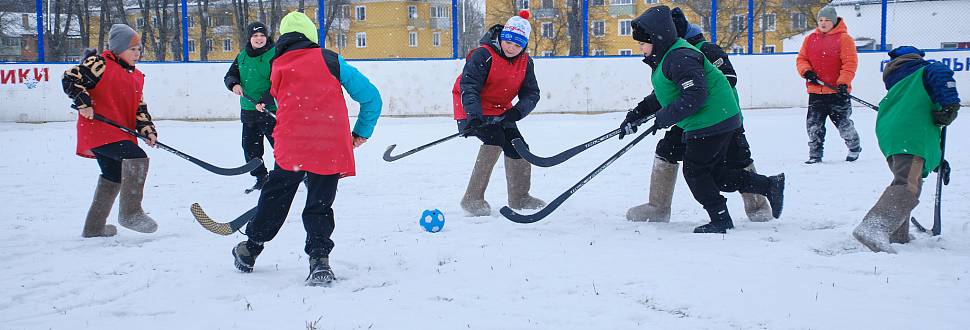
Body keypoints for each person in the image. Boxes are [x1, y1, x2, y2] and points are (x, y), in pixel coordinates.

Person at [230, 12, 382, 286]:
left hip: (293, 145)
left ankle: (250, 248)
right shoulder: (331, 59)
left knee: (276, 196)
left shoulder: (276, 64)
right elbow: (372, 98)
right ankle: (319, 260)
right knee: (320, 203)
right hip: (329, 143)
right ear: (311, 35)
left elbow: (276, 97)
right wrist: (361, 131)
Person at [619, 6, 785, 234]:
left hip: (711, 119)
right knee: (714, 175)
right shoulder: (668, 57)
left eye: (642, 43)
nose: (639, 48)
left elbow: (698, 93)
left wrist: (665, 117)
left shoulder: (681, 55)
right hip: (705, 119)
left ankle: (730, 215)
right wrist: (637, 114)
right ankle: (769, 185)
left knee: (701, 172)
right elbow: (664, 95)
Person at [853, 46, 960, 253]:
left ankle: (896, 235)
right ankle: (875, 227)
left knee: (907, 179)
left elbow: (918, 113)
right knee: (908, 185)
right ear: (917, 58)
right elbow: (941, 73)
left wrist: (938, 160)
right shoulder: (926, 70)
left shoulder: (899, 82)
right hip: (910, 135)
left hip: (894, 137)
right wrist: (950, 105)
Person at [62, 24, 159, 237]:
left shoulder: (136, 76)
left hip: (118, 134)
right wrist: (83, 101)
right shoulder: (100, 64)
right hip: (99, 130)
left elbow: (139, 108)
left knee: (112, 175)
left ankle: (94, 228)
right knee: (137, 159)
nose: (137, 53)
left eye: (139, 49)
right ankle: (130, 212)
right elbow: (70, 78)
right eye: (132, 49)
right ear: (118, 49)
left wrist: (147, 130)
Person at [452, 10, 545, 217]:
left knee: (518, 146)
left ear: (524, 46)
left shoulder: (526, 62)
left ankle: (520, 197)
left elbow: (532, 93)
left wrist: (516, 113)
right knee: (495, 139)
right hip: (471, 109)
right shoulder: (483, 55)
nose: (511, 48)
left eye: (518, 45)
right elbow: (469, 86)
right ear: (502, 37)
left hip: (501, 111)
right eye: (508, 42)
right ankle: (472, 198)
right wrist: (473, 116)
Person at [796, 5, 861, 164]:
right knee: (814, 125)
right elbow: (801, 59)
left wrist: (843, 83)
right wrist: (806, 71)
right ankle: (815, 154)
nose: (823, 23)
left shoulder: (844, 39)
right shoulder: (810, 39)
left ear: (834, 21)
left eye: (827, 20)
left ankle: (854, 146)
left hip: (837, 92)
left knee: (844, 124)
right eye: (820, 20)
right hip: (816, 91)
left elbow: (849, 63)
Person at [224, 22, 278, 193]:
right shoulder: (242, 56)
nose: (259, 39)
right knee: (250, 148)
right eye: (255, 36)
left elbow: (280, 81)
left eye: (262, 35)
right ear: (249, 38)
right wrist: (233, 84)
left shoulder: (274, 54)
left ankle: (299, 174)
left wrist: (265, 99)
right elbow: (230, 75)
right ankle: (261, 177)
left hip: (270, 110)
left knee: (281, 146)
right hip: (248, 110)